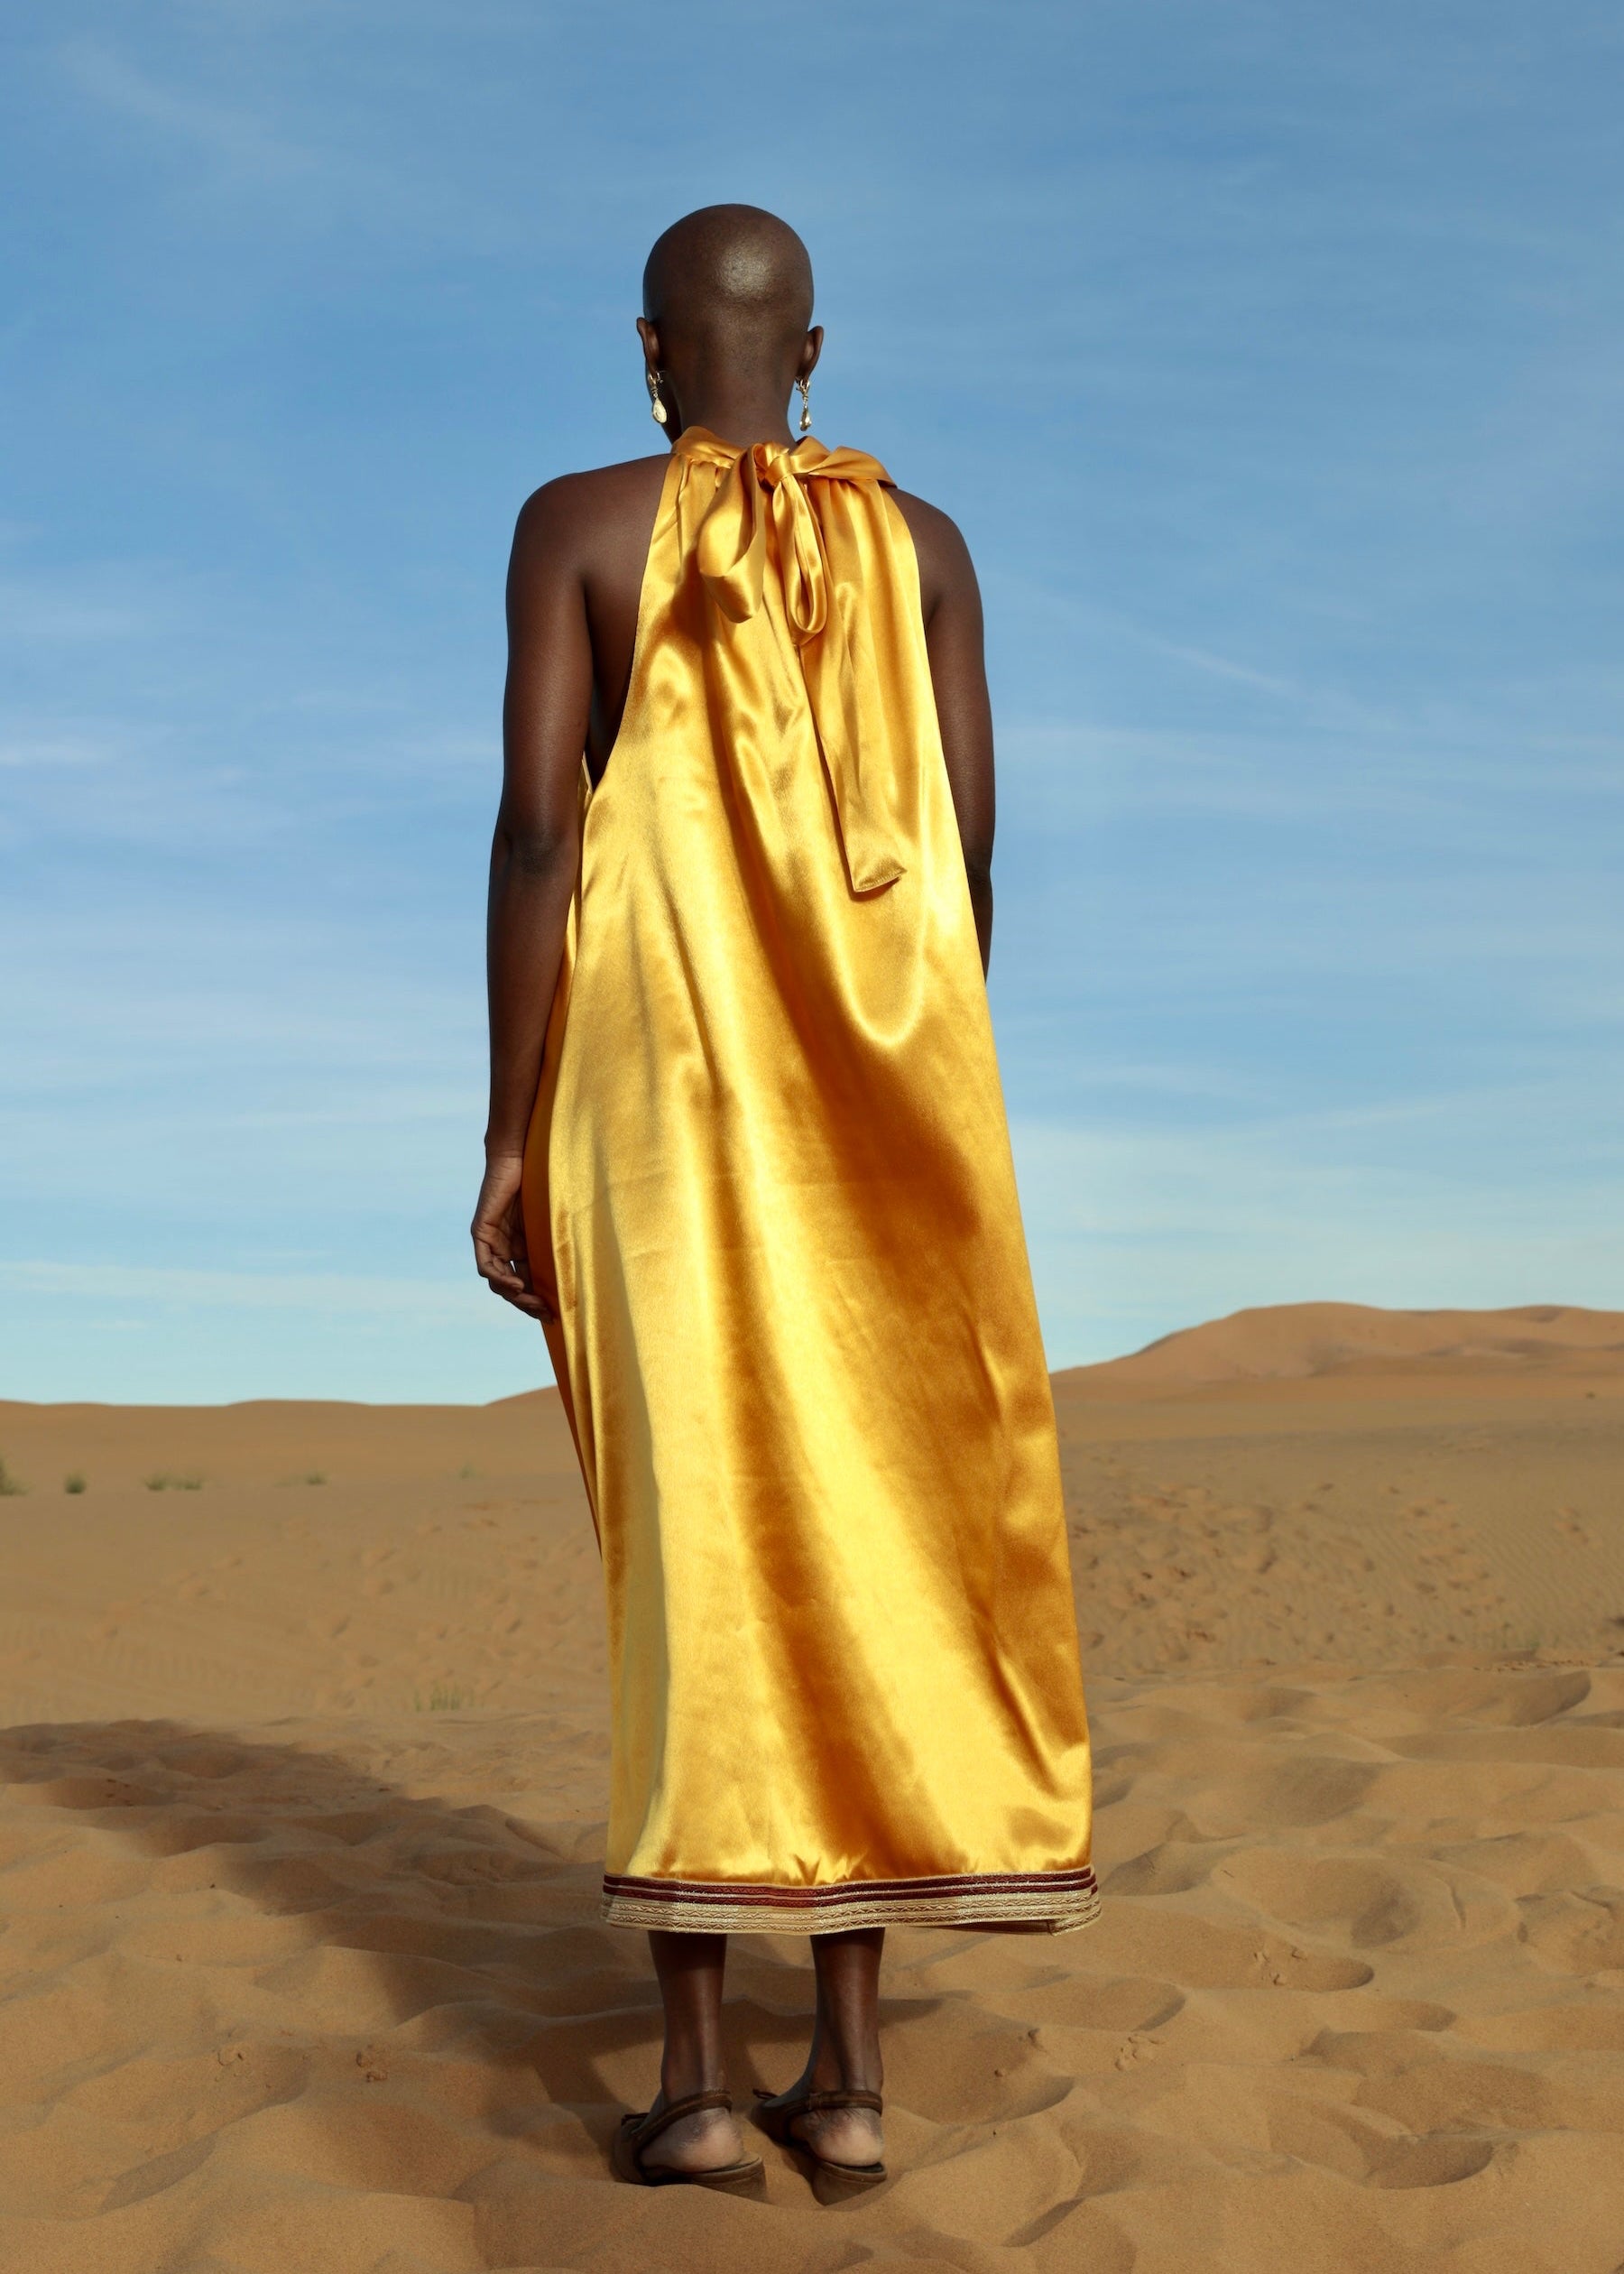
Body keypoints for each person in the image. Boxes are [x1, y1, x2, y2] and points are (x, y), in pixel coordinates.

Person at [472, 204, 1095, 2200]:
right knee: (873, 1547)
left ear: (649, 351)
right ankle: (847, 2080)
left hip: (657, 1113)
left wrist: (507, 1132)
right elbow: (973, 860)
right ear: (808, 352)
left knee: (702, 1551)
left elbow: (539, 834)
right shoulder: (929, 547)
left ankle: (695, 2078)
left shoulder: (573, 519)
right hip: (900, 1114)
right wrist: (909, 1096)